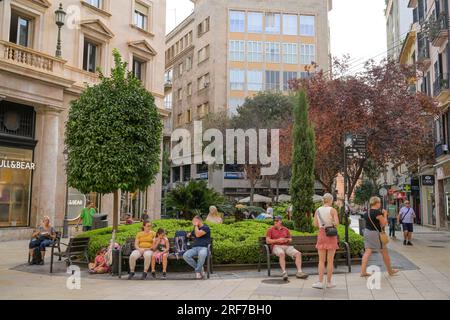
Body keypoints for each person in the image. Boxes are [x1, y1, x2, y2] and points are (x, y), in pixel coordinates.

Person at [361, 196, 399, 277]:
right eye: (379, 202)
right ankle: (390, 271)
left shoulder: (366, 213)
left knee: (367, 251)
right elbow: (384, 223)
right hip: (375, 234)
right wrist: (385, 214)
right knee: (384, 251)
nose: (380, 204)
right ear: (376, 203)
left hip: (367, 232)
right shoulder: (377, 213)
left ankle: (363, 271)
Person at [266, 216, 308, 281]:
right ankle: (284, 273)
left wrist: (286, 240)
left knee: (298, 254)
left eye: (277, 221)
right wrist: (278, 240)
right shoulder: (270, 230)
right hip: (276, 246)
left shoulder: (285, 229)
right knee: (281, 254)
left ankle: (299, 272)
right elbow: (267, 241)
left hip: (286, 246)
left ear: (281, 221)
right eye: (275, 221)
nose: (276, 222)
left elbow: (290, 239)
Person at [312, 193, 340, 289]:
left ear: (323, 200)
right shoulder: (333, 210)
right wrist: (331, 221)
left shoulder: (318, 210)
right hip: (331, 234)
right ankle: (329, 282)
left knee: (321, 260)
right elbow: (336, 223)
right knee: (330, 261)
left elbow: (315, 224)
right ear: (331, 200)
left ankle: (320, 282)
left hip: (321, 233)